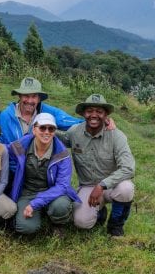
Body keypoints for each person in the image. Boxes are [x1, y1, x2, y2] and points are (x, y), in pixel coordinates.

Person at [58, 94, 135, 236]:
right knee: (81, 221)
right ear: (83, 113)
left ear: (106, 115)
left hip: (112, 185)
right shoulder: (75, 132)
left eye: (99, 112)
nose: (94, 115)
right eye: (89, 111)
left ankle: (116, 226)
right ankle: (99, 213)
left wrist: (102, 185)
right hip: (88, 185)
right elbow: (59, 138)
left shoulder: (117, 136)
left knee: (126, 189)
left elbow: (128, 168)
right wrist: (41, 126)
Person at [8, 113, 81, 235]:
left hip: (54, 193)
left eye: (51, 128)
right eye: (42, 128)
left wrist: (35, 204)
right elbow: (4, 150)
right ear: (34, 129)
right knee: (25, 228)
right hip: (28, 193)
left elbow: (62, 186)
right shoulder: (21, 145)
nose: (47, 132)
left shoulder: (62, 154)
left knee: (61, 206)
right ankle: (38, 215)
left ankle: (57, 224)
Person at [0, 77, 83, 145]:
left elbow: (65, 120)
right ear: (20, 96)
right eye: (26, 96)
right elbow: (0, 145)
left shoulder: (46, 112)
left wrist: (87, 122)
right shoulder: (6, 116)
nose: (30, 101)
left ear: (39, 99)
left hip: (39, 164)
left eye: (34, 96)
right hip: (13, 165)